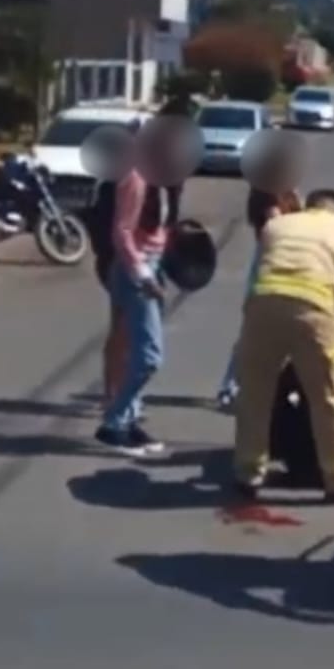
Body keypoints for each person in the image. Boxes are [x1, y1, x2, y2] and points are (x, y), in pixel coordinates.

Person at [231, 188, 334, 503]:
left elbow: (261, 272)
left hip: (264, 302)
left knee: (255, 393)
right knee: (330, 397)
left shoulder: (278, 226)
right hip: (314, 305)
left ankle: (248, 473)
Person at [94, 118, 191, 457]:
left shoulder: (164, 181)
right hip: (136, 271)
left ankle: (129, 420)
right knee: (150, 357)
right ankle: (114, 423)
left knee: (136, 350)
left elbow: (161, 230)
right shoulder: (134, 178)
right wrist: (144, 276)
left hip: (152, 266)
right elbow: (121, 232)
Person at [216, 187, 284, 409]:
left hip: (286, 263)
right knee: (255, 329)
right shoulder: (268, 194)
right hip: (270, 262)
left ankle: (254, 387)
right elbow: (277, 227)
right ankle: (231, 386)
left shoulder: (287, 193)